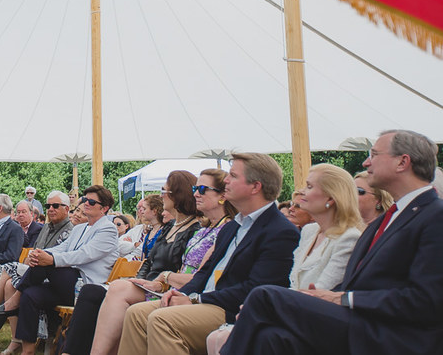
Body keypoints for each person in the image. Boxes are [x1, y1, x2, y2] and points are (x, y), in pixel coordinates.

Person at [222, 131, 443, 355]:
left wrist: (345, 298)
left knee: (264, 297)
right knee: (270, 337)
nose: (367, 162)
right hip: (363, 322)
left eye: (374, 154)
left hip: (393, 334)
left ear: (402, 162)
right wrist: (330, 296)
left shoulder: (434, 216)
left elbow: (427, 300)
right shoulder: (386, 221)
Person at [117, 153, 299, 355]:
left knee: (161, 320)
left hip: (234, 309)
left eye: (233, 176)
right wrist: (182, 294)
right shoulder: (233, 227)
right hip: (207, 301)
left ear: (255, 187)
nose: (226, 180)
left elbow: (256, 288)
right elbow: (205, 273)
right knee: (136, 313)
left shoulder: (279, 230)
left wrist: (196, 300)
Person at [206, 162, 364, 354]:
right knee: (217, 337)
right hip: (294, 309)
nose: (302, 192)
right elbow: (293, 284)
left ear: (331, 197)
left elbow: (320, 293)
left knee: (237, 324)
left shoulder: (348, 237)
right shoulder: (309, 231)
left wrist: (263, 311)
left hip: (315, 318)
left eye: (310, 186)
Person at [63, 171, 207, 355]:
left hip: (165, 287)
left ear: (177, 194)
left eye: (165, 190)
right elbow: (148, 261)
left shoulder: (194, 230)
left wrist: (154, 282)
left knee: (110, 291)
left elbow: (182, 267)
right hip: (148, 284)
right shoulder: (170, 227)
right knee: (93, 292)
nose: (161, 194)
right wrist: (138, 280)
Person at [0, 190, 75, 353]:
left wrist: (35, 259)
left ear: (67, 209)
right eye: (48, 206)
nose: (50, 209)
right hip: (35, 273)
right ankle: (12, 339)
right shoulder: (46, 227)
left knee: (8, 274)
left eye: (55, 205)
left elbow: (58, 258)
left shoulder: (71, 230)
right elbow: (35, 251)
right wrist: (30, 259)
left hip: (54, 279)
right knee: (9, 284)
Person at [7, 185, 118, 355]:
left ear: (104, 208)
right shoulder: (80, 228)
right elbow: (62, 247)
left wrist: (50, 259)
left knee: (47, 264)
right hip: (65, 283)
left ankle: (16, 295)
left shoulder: (108, 229)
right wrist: (40, 254)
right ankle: (27, 350)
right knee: (31, 295)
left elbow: (83, 255)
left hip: (85, 287)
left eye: (91, 201)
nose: (85, 203)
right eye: (84, 200)